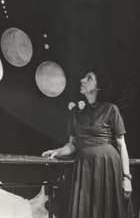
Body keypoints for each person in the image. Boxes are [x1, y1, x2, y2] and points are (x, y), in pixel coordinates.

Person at [42, 65, 133, 218]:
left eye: (89, 78)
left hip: (108, 167)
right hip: (85, 169)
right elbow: (73, 144)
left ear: (99, 86)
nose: (82, 80)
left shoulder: (111, 109)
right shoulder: (75, 113)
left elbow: (122, 145)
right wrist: (58, 151)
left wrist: (126, 177)